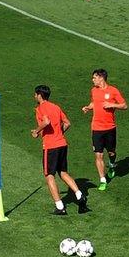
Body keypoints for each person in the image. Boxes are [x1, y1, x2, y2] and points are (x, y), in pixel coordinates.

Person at [33, 85, 87, 215]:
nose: (34, 96)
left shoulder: (41, 108)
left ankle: (60, 206)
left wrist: (36, 131)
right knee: (63, 172)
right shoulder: (56, 107)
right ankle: (80, 195)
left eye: (35, 94)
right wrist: (59, 134)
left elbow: (46, 122)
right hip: (62, 144)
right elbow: (67, 123)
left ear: (40, 95)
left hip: (50, 146)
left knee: (49, 175)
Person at [83, 69, 127, 188]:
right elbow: (94, 103)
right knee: (99, 155)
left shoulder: (113, 91)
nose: (93, 80)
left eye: (94, 78)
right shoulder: (94, 90)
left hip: (110, 128)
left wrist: (112, 105)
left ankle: (112, 164)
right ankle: (103, 180)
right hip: (96, 128)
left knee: (111, 152)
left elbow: (124, 105)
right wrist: (88, 107)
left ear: (101, 78)